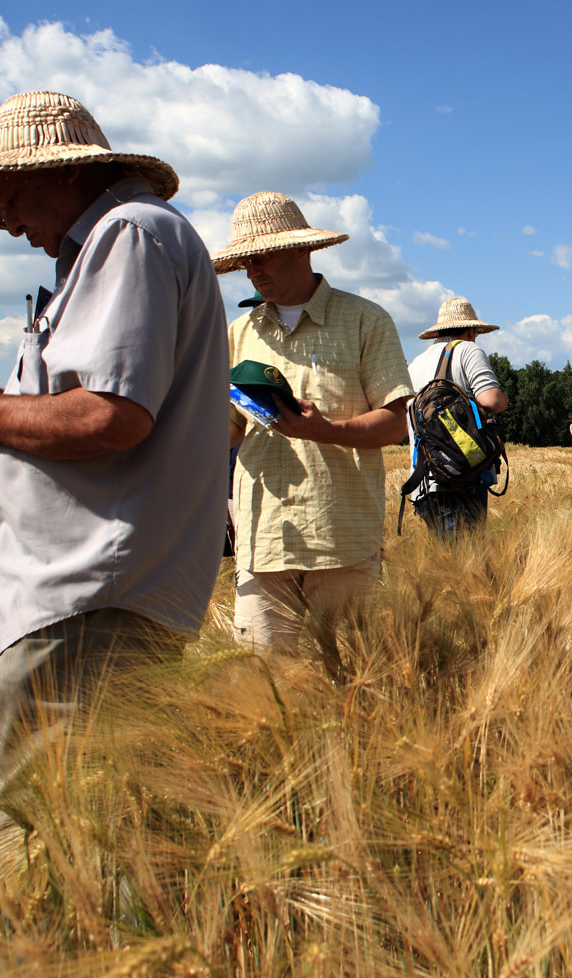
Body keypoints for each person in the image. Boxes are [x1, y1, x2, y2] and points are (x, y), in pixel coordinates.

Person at [0, 90, 229, 845]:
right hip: (97, 598)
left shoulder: (130, 235)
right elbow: (82, 402)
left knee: (39, 850)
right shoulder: (118, 244)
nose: (11, 222)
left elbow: (109, 415)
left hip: (90, 602)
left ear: (61, 173)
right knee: (99, 841)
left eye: (11, 195)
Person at [212, 191, 412, 668]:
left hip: (340, 536)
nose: (252, 271)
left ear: (302, 249)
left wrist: (326, 431)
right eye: (245, 262)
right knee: (261, 690)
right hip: (263, 539)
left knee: (345, 684)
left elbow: (394, 422)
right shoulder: (239, 333)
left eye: (261, 257)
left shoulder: (365, 320)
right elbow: (230, 431)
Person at [407, 296, 509, 537]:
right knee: (467, 558)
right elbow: (490, 400)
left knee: (445, 562)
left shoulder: (416, 363)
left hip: (422, 483)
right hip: (459, 480)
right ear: (472, 329)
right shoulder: (467, 350)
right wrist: (504, 398)